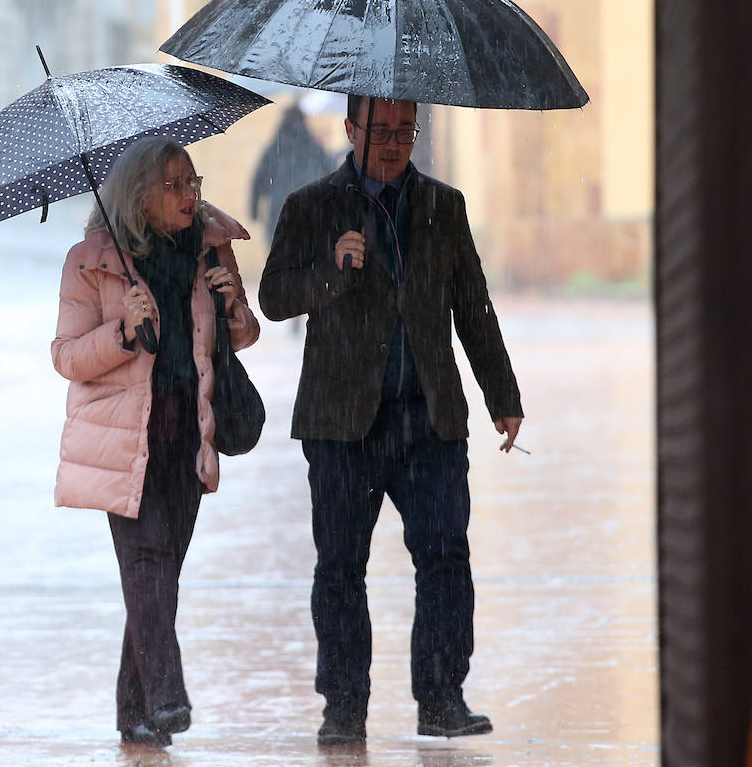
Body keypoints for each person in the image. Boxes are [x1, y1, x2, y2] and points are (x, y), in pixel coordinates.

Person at [258, 95, 524, 743]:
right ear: (351, 129)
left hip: (429, 418)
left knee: (444, 559)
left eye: (406, 130)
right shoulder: (311, 206)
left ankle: (441, 697)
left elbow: (474, 306)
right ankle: (343, 709)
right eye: (381, 130)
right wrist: (331, 269)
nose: (394, 142)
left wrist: (503, 396)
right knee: (341, 568)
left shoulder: (443, 206)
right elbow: (272, 297)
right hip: (342, 424)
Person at [50, 136, 260, 748]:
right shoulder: (90, 261)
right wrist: (121, 330)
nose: (188, 194)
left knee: (160, 579)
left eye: (192, 181)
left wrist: (232, 309)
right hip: (126, 443)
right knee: (146, 567)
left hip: (188, 437)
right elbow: (65, 356)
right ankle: (167, 695)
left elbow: (242, 336)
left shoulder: (211, 246)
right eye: (172, 185)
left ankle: (135, 714)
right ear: (139, 193)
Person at [249, 104, 333, 248]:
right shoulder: (315, 148)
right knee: (307, 256)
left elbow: (259, 180)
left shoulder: (274, 149)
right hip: (309, 211)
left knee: (279, 255)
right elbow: (330, 179)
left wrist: (254, 209)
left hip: (279, 210)